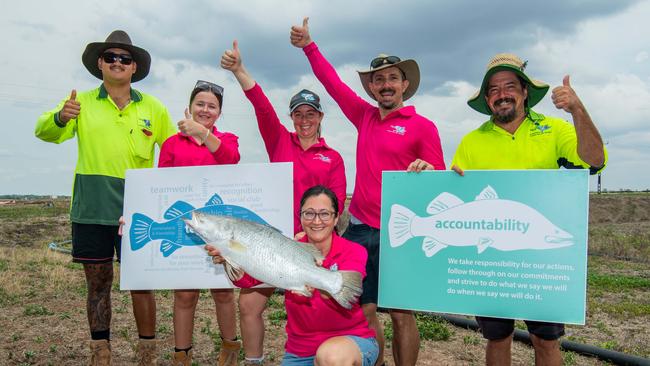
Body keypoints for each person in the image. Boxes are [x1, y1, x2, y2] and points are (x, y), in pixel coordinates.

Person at [290, 18, 445, 366]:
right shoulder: (364, 116)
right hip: (359, 229)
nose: (385, 85)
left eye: (392, 78)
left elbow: (438, 182)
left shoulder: (423, 127)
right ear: (371, 89)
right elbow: (332, 85)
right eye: (378, 80)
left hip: (401, 232)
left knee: (403, 312)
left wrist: (429, 170)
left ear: (404, 84)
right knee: (364, 310)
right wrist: (309, 47)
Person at [451, 53, 606, 366]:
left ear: (524, 92)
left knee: (545, 340)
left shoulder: (555, 130)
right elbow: (459, 195)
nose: (501, 94)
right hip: (491, 260)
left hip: (540, 261)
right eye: (493, 90)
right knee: (497, 338)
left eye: (509, 86)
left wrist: (577, 109)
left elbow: (594, 161)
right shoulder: (471, 141)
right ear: (486, 99)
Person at [34, 30, 176, 365]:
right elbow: (44, 131)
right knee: (98, 283)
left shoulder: (154, 108)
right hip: (92, 208)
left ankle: (147, 352)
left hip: (138, 212)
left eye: (124, 58)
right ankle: (101, 351)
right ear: (99, 63)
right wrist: (60, 117)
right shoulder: (78, 103)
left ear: (134, 67)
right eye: (110, 56)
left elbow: (174, 153)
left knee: (141, 283)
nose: (117, 62)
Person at [220, 40, 346, 365]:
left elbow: (336, 208)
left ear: (320, 116)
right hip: (272, 244)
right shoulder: (279, 140)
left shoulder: (332, 158)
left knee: (316, 312)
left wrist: (312, 238)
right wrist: (239, 70)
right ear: (291, 117)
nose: (304, 119)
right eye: (298, 114)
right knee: (248, 306)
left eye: (311, 113)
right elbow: (261, 106)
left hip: (309, 247)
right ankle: (254, 361)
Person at [206, 185, 378, 366]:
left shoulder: (353, 250)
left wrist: (316, 283)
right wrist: (228, 259)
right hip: (300, 352)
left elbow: (345, 295)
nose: (316, 221)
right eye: (309, 213)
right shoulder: (287, 247)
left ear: (336, 218)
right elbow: (249, 280)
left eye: (325, 214)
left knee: (330, 357)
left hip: (350, 343)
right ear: (301, 217)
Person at [158, 80, 242, 366]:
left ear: (219, 112)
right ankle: (182, 354)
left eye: (212, 106)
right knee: (184, 294)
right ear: (189, 107)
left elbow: (231, 160)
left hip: (219, 230)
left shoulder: (228, 139)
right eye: (200, 104)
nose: (205, 109)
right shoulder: (171, 144)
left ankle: (230, 349)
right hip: (184, 227)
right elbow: (160, 186)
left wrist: (204, 134)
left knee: (223, 292)